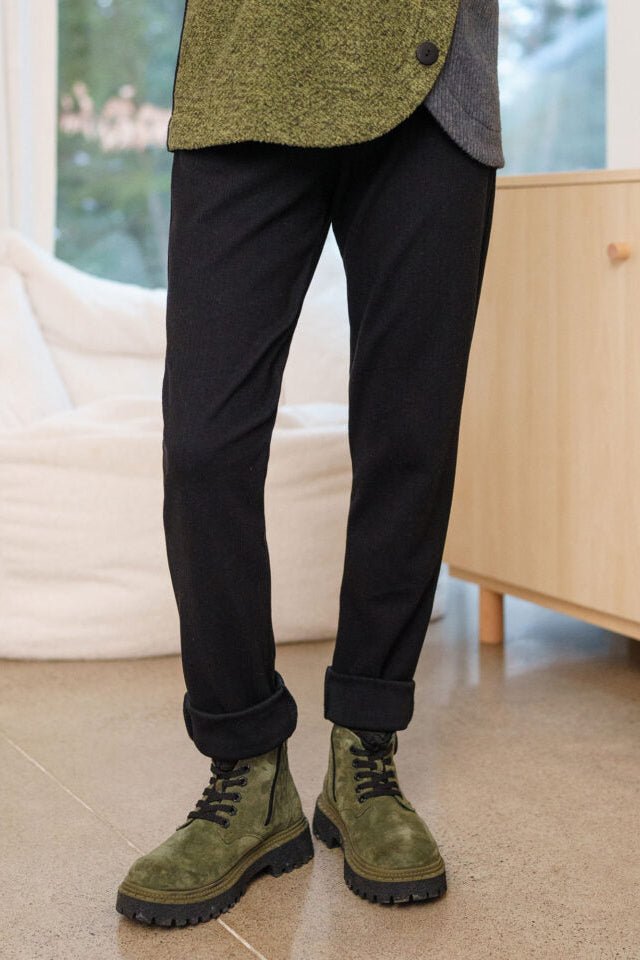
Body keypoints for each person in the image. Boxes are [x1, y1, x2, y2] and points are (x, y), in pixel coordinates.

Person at [116, 0, 505, 927]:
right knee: (204, 441)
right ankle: (246, 769)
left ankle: (366, 749)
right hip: (244, 68)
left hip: (431, 82)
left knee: (408, 437)